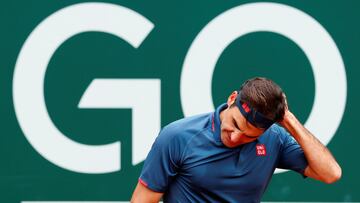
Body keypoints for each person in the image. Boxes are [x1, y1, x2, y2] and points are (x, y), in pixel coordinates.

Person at [131, 77, 341, 203]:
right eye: (236, 124)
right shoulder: (177, 137)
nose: (235, 137)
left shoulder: (275, 139)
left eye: (250, 136)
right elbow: (142, 200)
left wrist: (288, 119)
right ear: (232, 99)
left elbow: (330, 174)